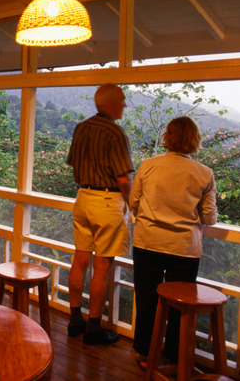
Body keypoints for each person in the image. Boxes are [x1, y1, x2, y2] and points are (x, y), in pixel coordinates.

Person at [130, 116, 217, 369]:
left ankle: (146, 353)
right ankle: (173, 357)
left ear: (168, 137)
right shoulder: (204, 173)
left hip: (148, 240)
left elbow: (134, 202)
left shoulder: (148, 165)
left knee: (147, 299)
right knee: (179, 306)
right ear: (195, 140)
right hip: (184, 247)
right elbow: (209, 218)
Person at [65, 83, 134, 345]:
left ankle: (75, 320)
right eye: (123, 101)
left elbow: (74, 163)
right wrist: (132, 203)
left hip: (83, 198)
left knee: (80, 258)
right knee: (102, 266)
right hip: (106, 200)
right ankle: (93, 329)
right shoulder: (115, 133)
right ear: (111, 104)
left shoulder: (81, 128)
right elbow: (123, 179)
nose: (125, 105)